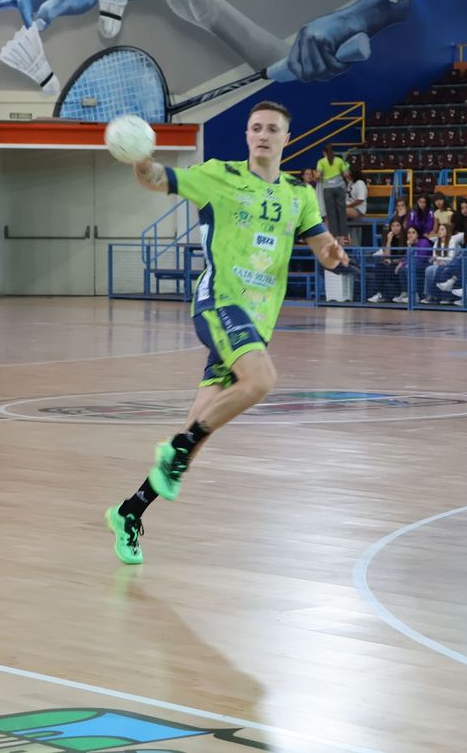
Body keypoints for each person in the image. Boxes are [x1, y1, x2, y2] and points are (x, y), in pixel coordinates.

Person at [103, 101, 350, 564]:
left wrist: (333, 255)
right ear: (247, 135)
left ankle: (129, 512)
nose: (263, 135)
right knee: (261, 380)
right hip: (219, 303)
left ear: (286, 139)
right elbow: (155, 178)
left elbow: (322, 247)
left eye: (272, 129)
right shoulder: (219, 175)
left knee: (197, 434)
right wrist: (140, 158)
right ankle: (178, 448)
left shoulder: (299, 194)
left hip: (257, 320)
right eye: (256, 128)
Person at [316, 145, 350, 237]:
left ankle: (334, 235)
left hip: (327, 188)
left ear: (324, 153)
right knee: (341, 212)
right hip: (339, 187)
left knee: (331, 213)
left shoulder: (321, 162)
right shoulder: (339, 161)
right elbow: (346, 174)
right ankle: (343, 235)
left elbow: (318, 176)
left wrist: (319, 179)